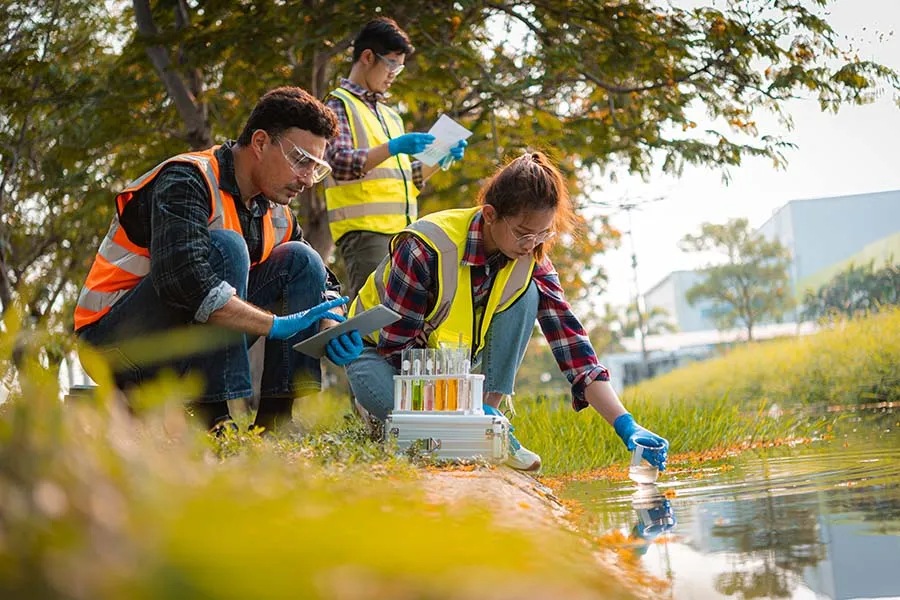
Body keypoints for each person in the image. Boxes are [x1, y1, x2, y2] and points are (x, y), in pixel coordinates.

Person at [345, 152, 669, 471]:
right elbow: (397, 349)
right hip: (380, 357)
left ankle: (489, 419)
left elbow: (573, 347)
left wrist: (626, 424)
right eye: (523, 232)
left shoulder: (532, 260)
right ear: (489, 214)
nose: (531, 244)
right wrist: (465, 410)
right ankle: (453, 425)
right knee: (434, 439)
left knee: (529, 294)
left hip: (448, 370)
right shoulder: (426, 246)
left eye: (543, 234)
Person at [74, 86, 364, 434]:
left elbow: (325, 282)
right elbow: (184, 280)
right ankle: (215, 421)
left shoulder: (276, 211)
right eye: (301, 161)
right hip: (117, 347)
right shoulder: (186, 179)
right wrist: (273, 324)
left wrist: (331, 325)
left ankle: (277, 425)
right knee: (228, 247)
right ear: (260, 142)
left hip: (185, 348)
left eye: (315, 169)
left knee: (302, 259)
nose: (306, 179)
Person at [324, 17, 467, 300]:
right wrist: (394, 146)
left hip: (403, 235)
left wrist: (440, 157)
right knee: (371, 316)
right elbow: (338, 163)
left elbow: (407, 179)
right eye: (391, 64)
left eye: (398, 67)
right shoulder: (338, 104)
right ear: (367, 57)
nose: (393, 74)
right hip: (365, 235)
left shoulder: (390, 115)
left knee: (405, 315)